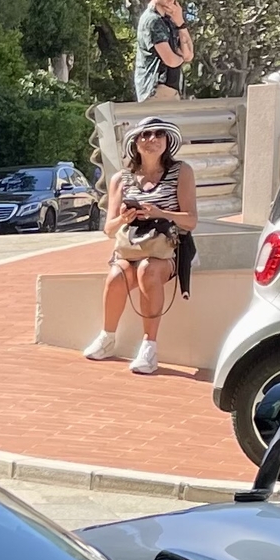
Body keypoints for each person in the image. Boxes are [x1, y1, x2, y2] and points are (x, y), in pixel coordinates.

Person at [83, 117, 195, 376]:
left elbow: (191, 220)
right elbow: (108, 229)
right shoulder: (121, 179)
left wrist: (160, 212)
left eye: (158, 134)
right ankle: (107, 337)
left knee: (148, 271)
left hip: (166, 249)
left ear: (168, 141)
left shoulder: (181, 172)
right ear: (135, 143)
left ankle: (149, 347)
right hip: (131, 246)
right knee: (116, 276)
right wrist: (124, 218)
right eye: (144, 135)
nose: (151, 139)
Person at [133, 0, 189, 102]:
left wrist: (181, 23)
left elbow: (189, 54)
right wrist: (181, 58)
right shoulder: (153, 21)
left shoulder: (167, 20)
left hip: (167, 90)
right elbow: (171, 60)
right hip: (157, 90)